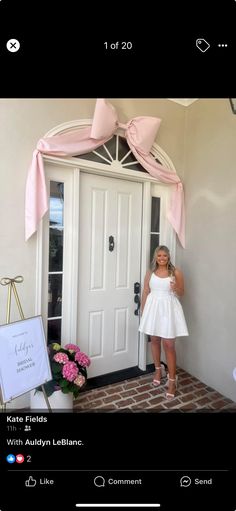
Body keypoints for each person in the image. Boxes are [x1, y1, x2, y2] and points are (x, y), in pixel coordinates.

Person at [139, 245, 189, 399]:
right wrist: (143, 309)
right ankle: (158, 370)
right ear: (156, 257)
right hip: (153, 309)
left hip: (168, 309)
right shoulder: (150, 272)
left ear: (168, 257)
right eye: (159, 256)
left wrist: (175, 288)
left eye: (165, 256)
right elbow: (146, 290)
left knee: (168, 344)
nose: (162, 258)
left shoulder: (176, 272)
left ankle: (172, 380)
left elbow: (182, 292)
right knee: (154, 340)